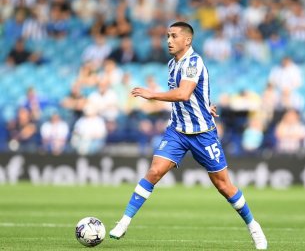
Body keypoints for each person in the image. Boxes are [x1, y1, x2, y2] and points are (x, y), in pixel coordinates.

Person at [109, 22, 267, 249]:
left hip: (203, 133)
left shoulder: (194, 61)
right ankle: (124, 221)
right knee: (154, 171)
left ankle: (253, 226)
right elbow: (195, 95)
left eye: (173, 36)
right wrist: (205, 104)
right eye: (167, 36)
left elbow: (183, 94)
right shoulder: (172, 64)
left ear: (187, 40)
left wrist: (152, 94)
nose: (168, 41)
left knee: (224, 186)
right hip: (177, 131)